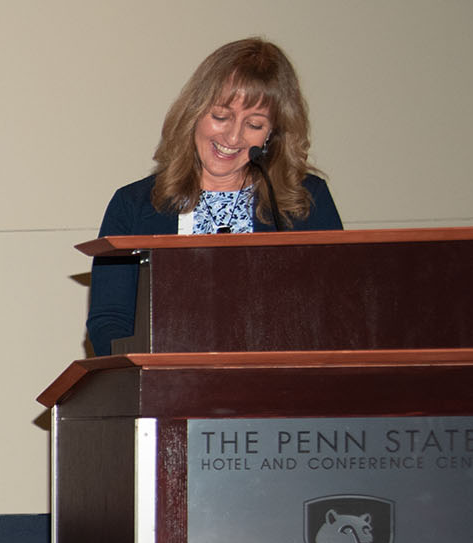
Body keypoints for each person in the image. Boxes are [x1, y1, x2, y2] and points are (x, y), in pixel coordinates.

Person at [86, 37, 344, 356]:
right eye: (221, 116)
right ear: (195, 112)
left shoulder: (306, 201)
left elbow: (337, 316)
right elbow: (110, 322)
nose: (233, 137)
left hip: (280, 398)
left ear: (273, 134)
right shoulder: (134, 205)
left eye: (254, 124)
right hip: (169, 397)